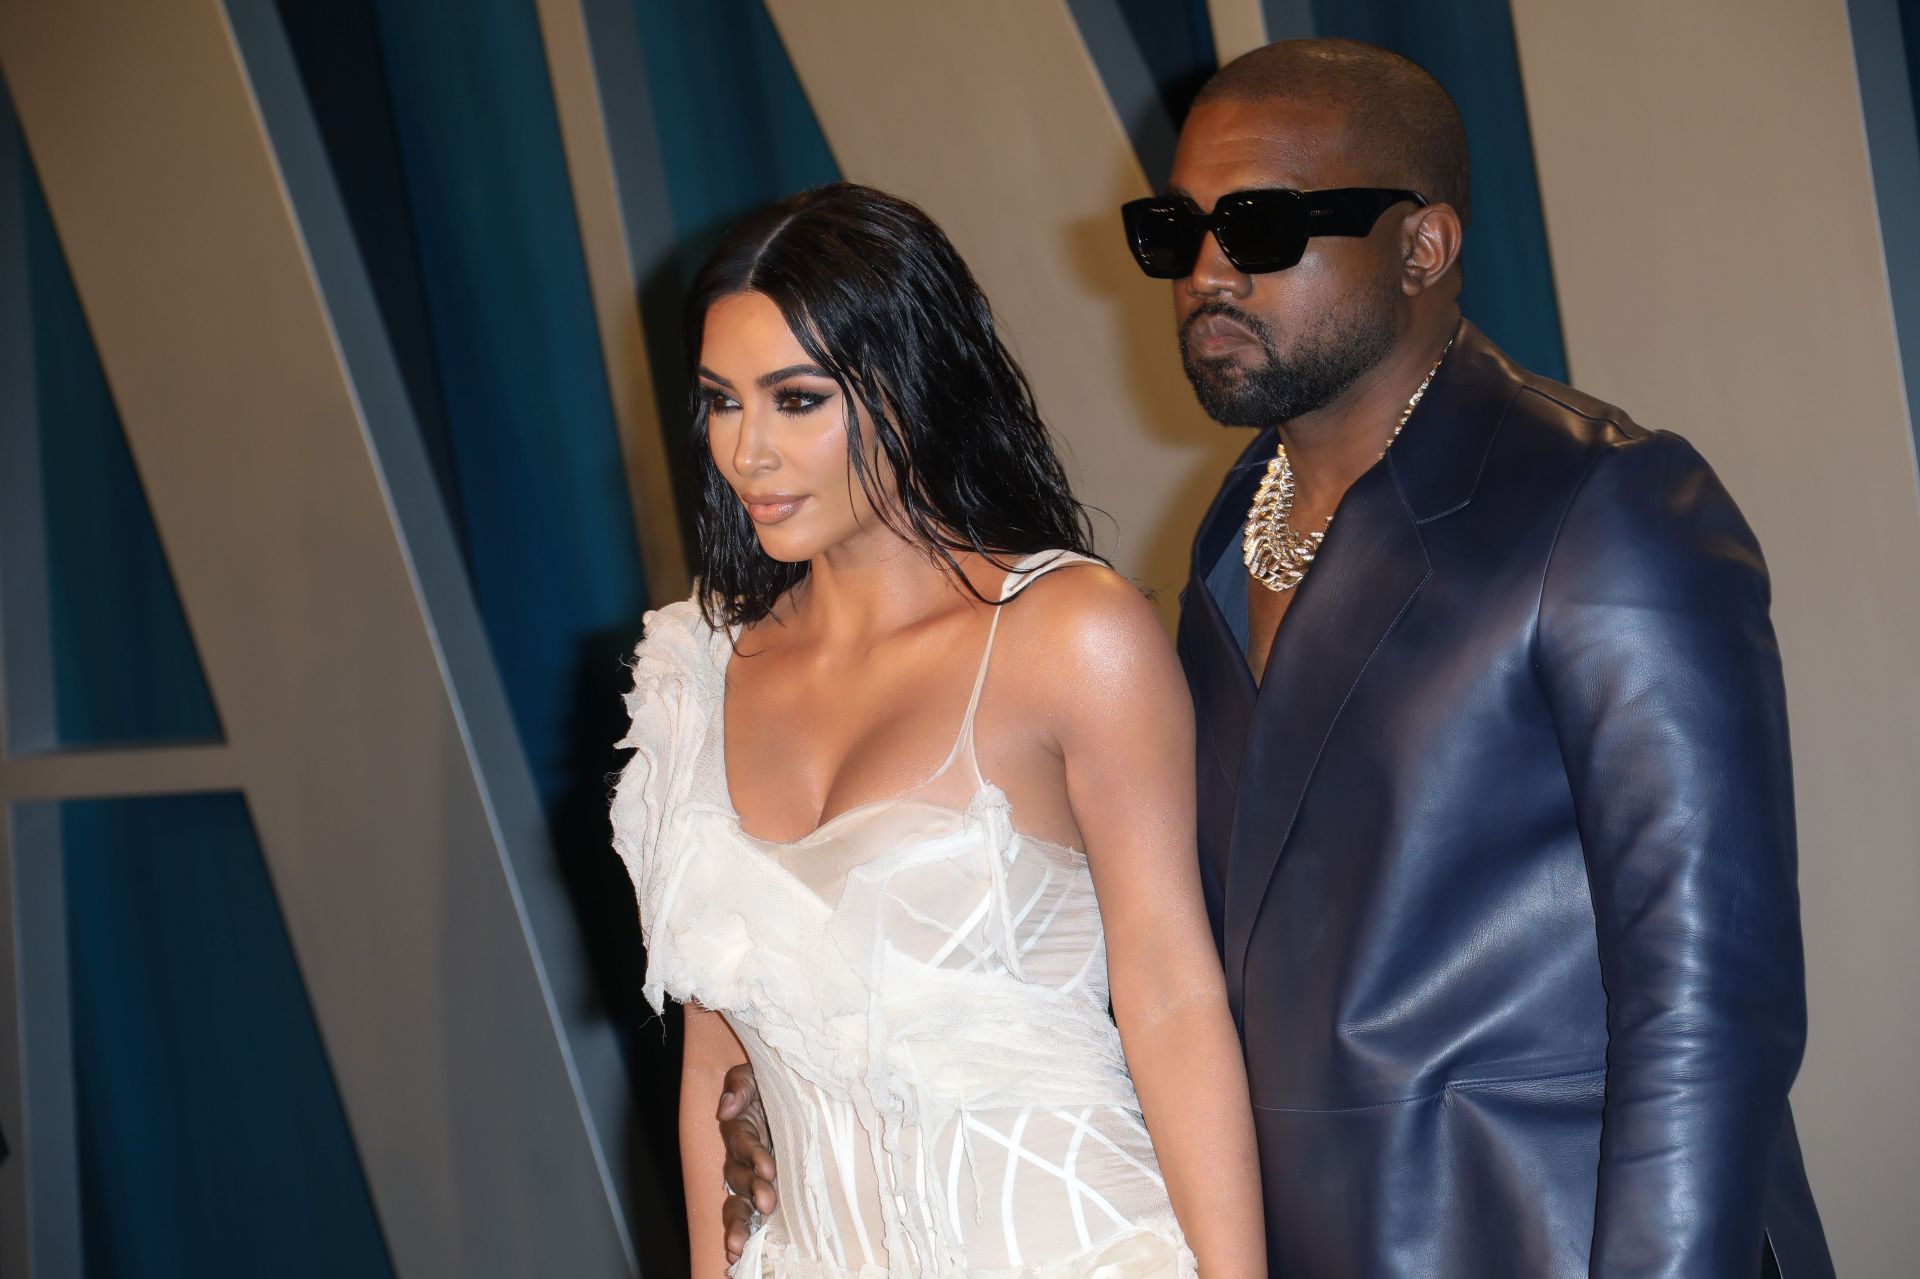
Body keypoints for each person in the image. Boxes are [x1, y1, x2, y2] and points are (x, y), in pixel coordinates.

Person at [721, 39, 1835, 1278]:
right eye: (1175, 232)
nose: (1206, 271)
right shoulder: (1218, 549)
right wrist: (824, 1091)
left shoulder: (1602, 506)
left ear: (1424, 246)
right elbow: (1159, 968)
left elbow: (1710, 1010)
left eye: (1256, 224)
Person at [611, 182, 1265, 1278]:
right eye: (722, 402)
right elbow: (709, 1066)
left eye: (797, 400)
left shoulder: (1070, 634)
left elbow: (1173, 996)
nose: (747, 453)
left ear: (909, 386)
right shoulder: (695, 673)